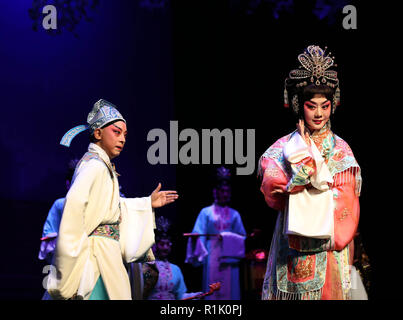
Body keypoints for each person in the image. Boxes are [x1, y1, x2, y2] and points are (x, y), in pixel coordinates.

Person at [45, 99, 178, 300]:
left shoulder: (101, 165)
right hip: (97, 257)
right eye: (116, 132)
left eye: (125, 134)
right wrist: (69, 263)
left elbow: (110, 209)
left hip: (106, 254)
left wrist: (146, 203)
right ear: (98, 133)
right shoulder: (95, 166)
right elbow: (74, 208)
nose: (123, 139)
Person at [257, 45, 362, 300]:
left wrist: (302, 185)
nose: (318, 114)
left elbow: (348, 200)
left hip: (329, 246)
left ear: (332, 106)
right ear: (298, 105)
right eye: (311, 106)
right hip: (291, 245)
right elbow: (272, 185)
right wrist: (302, 174)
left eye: (324, 106)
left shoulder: (341, 149)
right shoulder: (284, 146)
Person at [186, 167, 246, 300]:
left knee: (230, 289)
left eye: (227, 191)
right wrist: (196, 238)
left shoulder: (234, 214)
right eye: (222, 191)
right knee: (212, 287)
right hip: (212, 252)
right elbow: (198, 231)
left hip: (229, 255)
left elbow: (242, 237)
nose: (224, 194)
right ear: (215, 192)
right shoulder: (206, 212)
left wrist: (227, 238)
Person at [146, 216, 199, 300]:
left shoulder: (175, 269)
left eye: (168, 244)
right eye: (162, 244)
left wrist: (194, 296)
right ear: (155, 246)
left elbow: (180, 295)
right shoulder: (147, 267)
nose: (166, 247)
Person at [39, 159, 79, 265]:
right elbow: (49, 235)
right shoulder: (60, 204)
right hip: (66, 258)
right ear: (68, 184)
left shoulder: (97, 204)